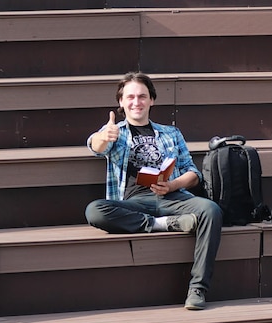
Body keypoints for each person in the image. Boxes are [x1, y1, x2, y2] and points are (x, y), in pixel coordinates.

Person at [85, 72, 223, 310]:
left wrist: (172, 185)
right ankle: (164, 224)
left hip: (172, 197)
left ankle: (198, 288)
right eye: (130, 97)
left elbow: (193, 173)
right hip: (135, 202)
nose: (136, 102)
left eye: (142, 96)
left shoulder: (171, 133)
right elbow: (95, 146)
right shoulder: (115, 132)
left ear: (151, 100)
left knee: (211, 210)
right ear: (121, 102)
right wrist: (102, 137)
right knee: (95, 211)